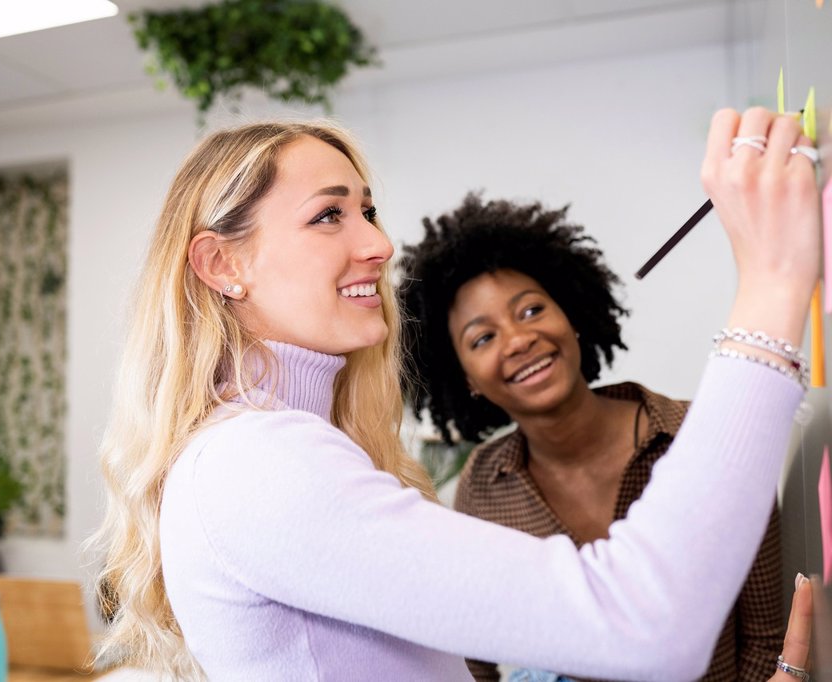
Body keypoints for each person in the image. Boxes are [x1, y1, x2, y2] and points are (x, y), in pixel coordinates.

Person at [92, 109, 818, 680]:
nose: (379, 246)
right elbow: (642, 622)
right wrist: (773, 282)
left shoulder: (277, 450)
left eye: (367, 211)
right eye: (328, 214)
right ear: (222, 264)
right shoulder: (255, 463)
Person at [399, 195, 785, 682]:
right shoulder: (485, 484)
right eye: (482, 338)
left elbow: (766, 637)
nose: (518, 340)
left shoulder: (702, 440)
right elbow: (476, 659)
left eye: (532, 309)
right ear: (465, 378)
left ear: (573, 315)